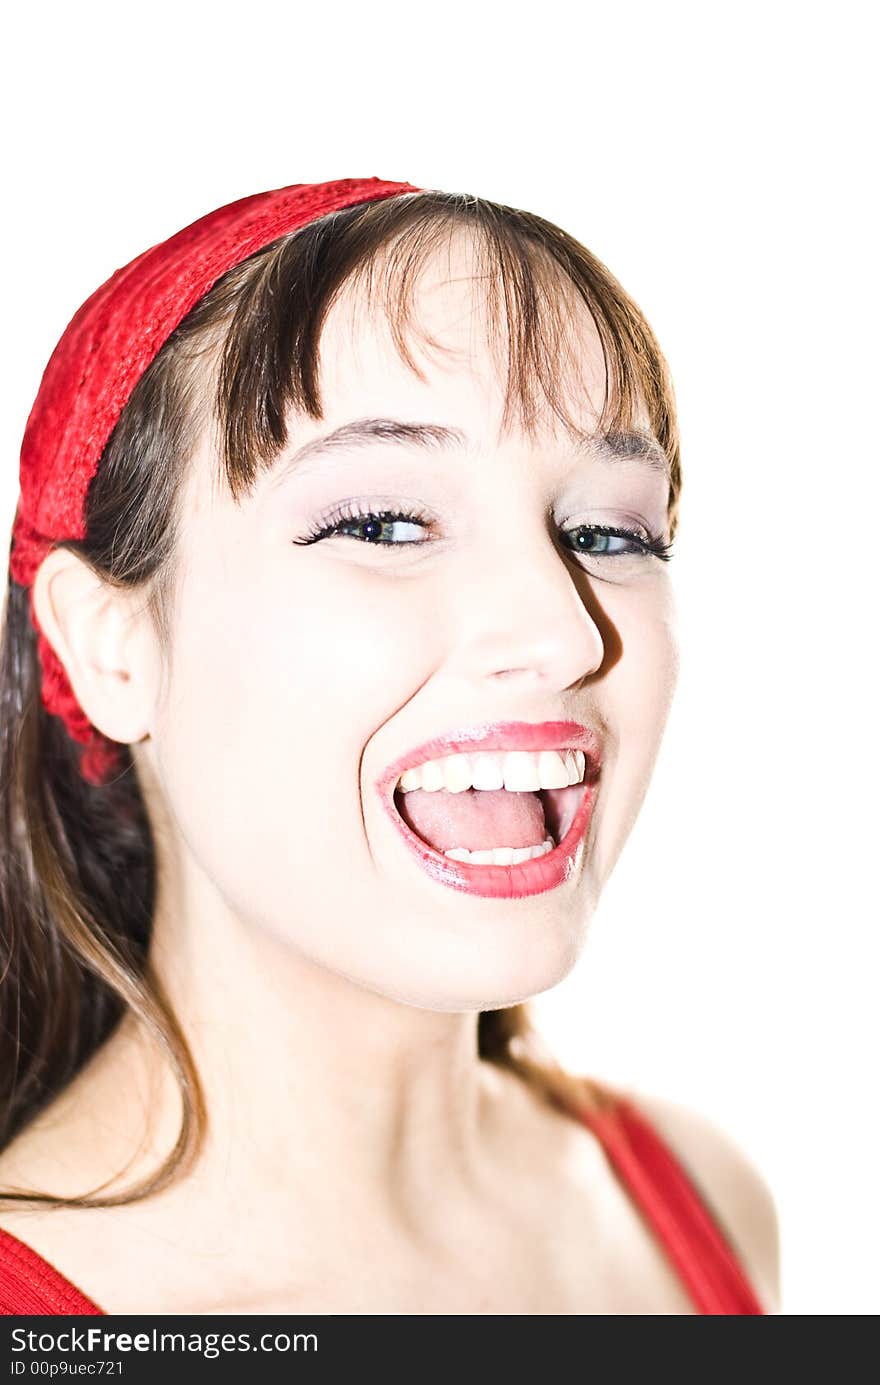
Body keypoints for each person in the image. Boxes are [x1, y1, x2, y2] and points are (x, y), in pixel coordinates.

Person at [0, 177, 779, 1315]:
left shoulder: (709, 1198)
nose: (565, 634)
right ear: (112, 646)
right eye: (380, 522)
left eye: (610, 531)